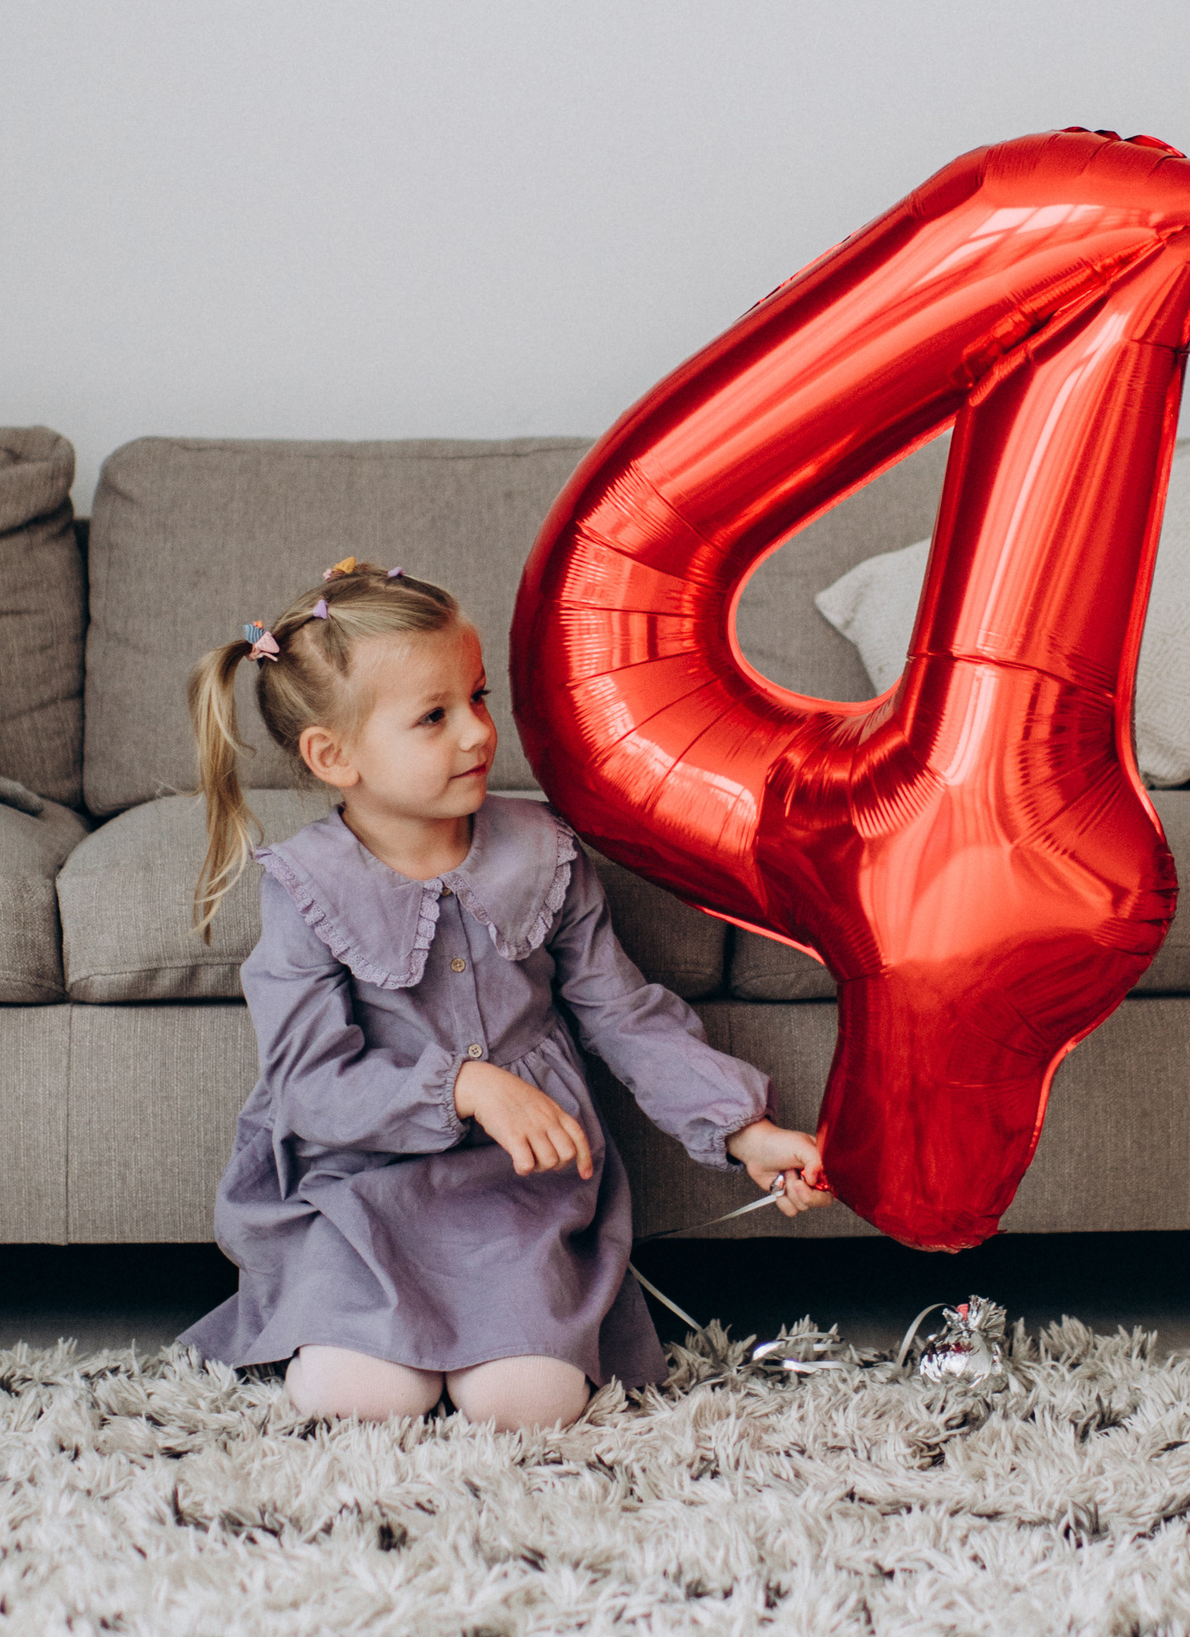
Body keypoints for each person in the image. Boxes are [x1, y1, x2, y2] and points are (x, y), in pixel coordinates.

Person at [178, 558, 833, 1429]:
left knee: (527, 1404)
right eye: (434, 716)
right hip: (362, 1191)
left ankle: (502, 1337)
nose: (477, 733)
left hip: (518, 1195)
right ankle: (356, 1331)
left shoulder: (544, 851)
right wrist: (463, 1084)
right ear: (334, 756)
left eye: (478, 697)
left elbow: (623, 1013)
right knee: (359, 1400)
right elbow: (308, 1087)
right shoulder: (305, 887)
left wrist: (743, 1128)